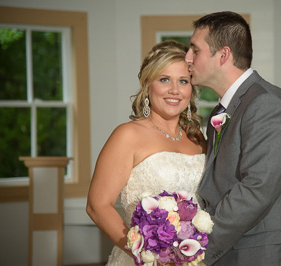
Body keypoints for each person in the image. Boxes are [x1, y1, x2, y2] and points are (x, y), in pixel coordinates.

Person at [185, 11, 281, 265]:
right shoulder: (222, 110)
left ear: (223, 55)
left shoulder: (266, 104)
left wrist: (196, 248)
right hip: (234, 250)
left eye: (194, 50)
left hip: (266, 254)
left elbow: (255, 190)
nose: (187, 58)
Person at [86, 40, 206, 266]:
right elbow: (97, 206)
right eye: (164, 80)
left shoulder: (198, 139)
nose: (175, 90)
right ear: (148, 85)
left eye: (183, 81)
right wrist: (147, 254)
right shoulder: (127, 135)